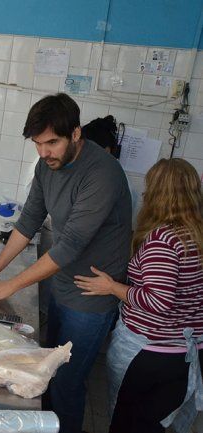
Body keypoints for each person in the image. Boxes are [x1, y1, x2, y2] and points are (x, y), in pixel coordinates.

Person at [0, 93, 132, 433]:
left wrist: (9, 285)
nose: (44, 152)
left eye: (52, 143)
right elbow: (28, 222)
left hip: (90, 299)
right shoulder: (46, 166)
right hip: (61, 285)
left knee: (67, 383)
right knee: (46, 372)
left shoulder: (103, 173)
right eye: (38, 144)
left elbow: (70, 245)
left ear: (75, 134)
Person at [74, 158, 203, 433]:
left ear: (160, 195)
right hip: (185, 353)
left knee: (127, 422)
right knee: (150, 424)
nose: (143, 195)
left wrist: (111, 287)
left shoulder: (164, 241)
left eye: (149, 188)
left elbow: (158, 302)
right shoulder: (197, 235)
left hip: (151, 354)